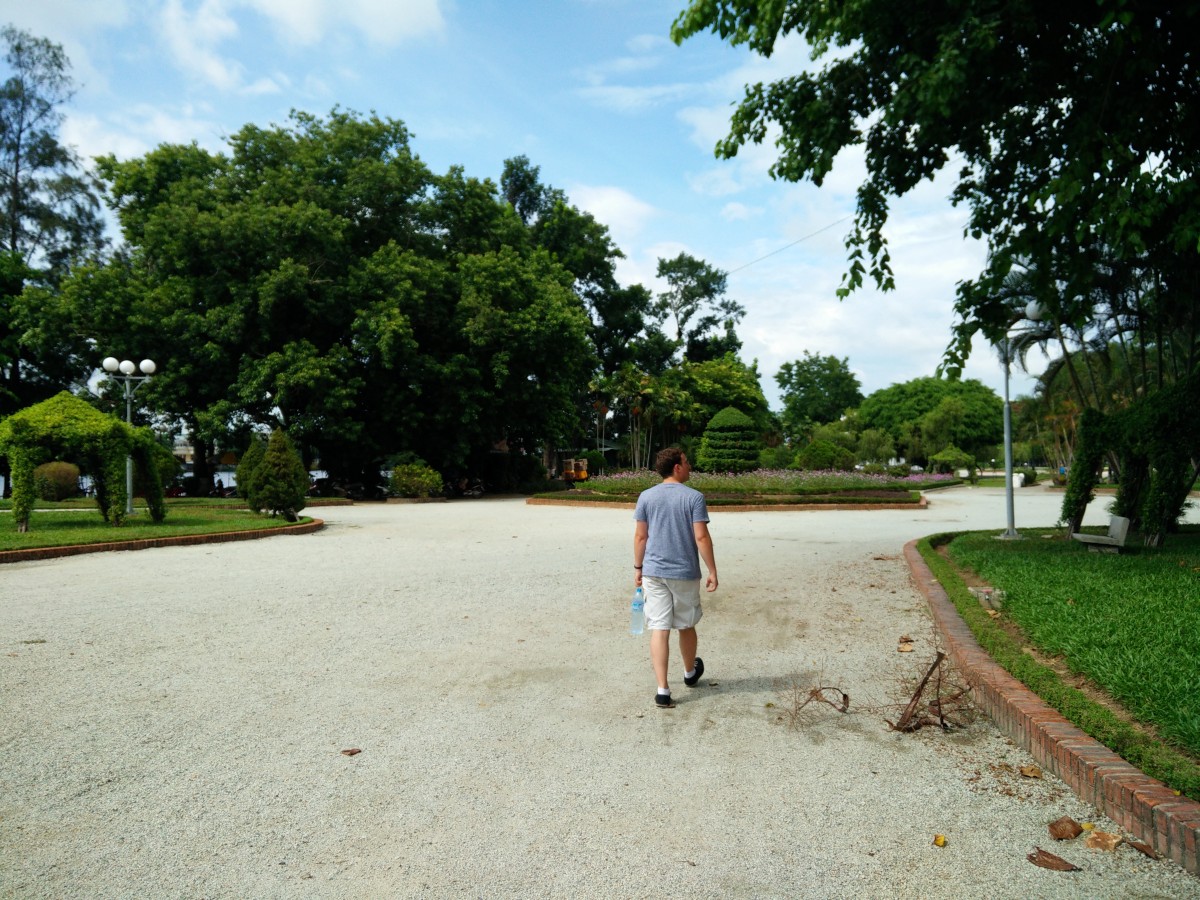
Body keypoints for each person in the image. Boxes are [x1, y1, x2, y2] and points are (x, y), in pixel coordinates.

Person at [632, 446, 718, 708]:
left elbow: (641, 536)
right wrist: (712, 570)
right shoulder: (694, 497)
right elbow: (701, 537)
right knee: (685, 624)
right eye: (687, 462)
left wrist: (638, 568)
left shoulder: (646, 496)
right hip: (683, 572)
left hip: (654, 572)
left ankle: (662, 690)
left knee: (659, 627)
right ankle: (690, 673)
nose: (690, 466)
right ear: (677, 467)